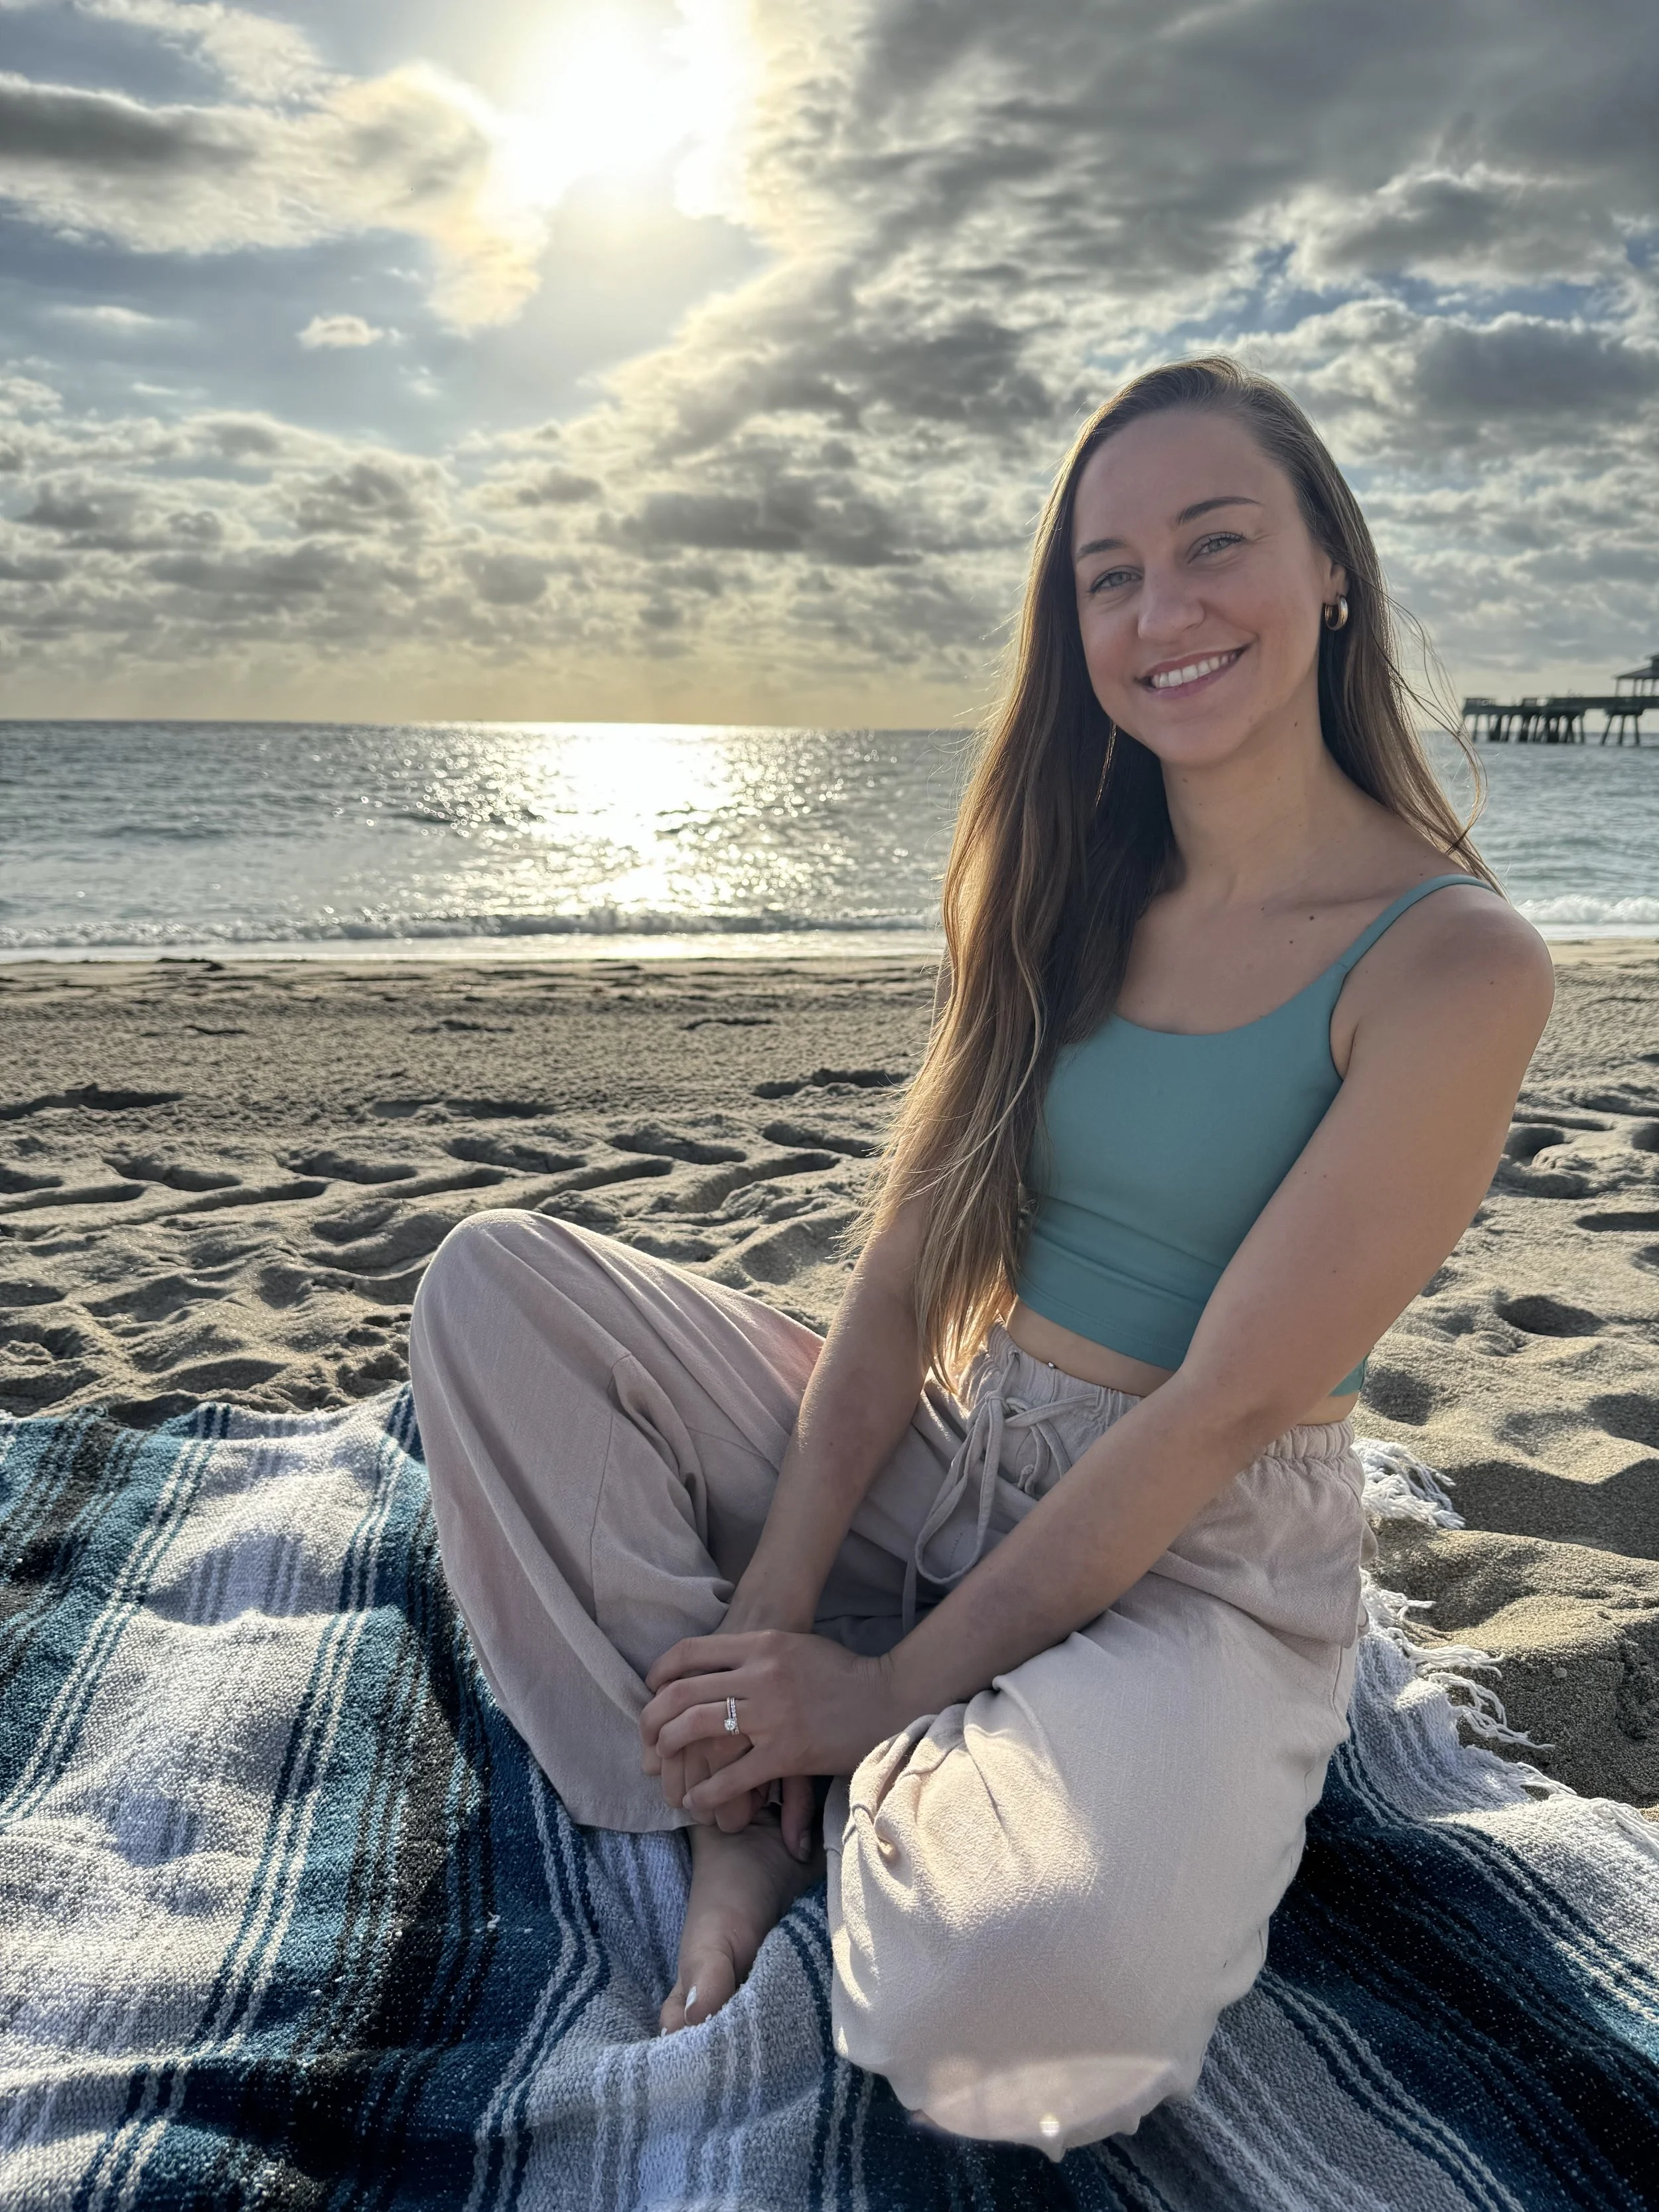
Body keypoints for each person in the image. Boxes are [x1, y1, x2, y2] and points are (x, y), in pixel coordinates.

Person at [407, 355, 1553, 2156]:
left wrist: (875, 1686)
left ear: (1328, 561)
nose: (1161, 611)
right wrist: (782, 1621)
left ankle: (892, 1763)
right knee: (492, 1287)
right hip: (950, 1452)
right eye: (1109, 574)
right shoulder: (1062, 881)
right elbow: (888, 1302)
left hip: (1192, 1558)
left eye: (1212, 544)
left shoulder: (1453, 962)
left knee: (1009, 2023)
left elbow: (1215, 1407)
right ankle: (727, 1793)